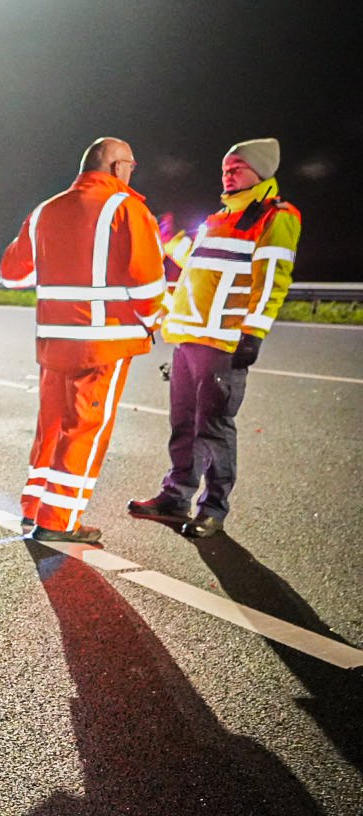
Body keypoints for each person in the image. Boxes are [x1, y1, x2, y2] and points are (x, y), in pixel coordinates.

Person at [128, 138, 301, 539]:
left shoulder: (275, 216)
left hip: (224, 343)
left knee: (214, 428)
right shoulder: (221, 216)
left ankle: (213, 509)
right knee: (183, 424)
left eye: (237, 167)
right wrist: (171, 240)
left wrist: (253, 332)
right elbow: (200, 265)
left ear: (261, 171)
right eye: (225, 168)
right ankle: (175, 496)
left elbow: (272, 279)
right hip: (189, 337)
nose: (228, 174)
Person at [0, 137, 166, 545]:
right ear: (116, 167)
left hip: (54, 342)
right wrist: (152, 322)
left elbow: (12, 274)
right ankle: (59, 521)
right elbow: (147, 284)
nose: (131, 173)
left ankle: (33, 508)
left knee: (51, 427)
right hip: (104, 345)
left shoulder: (45, 210)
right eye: (130, 166)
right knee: (84, 430)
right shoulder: (126, 208)